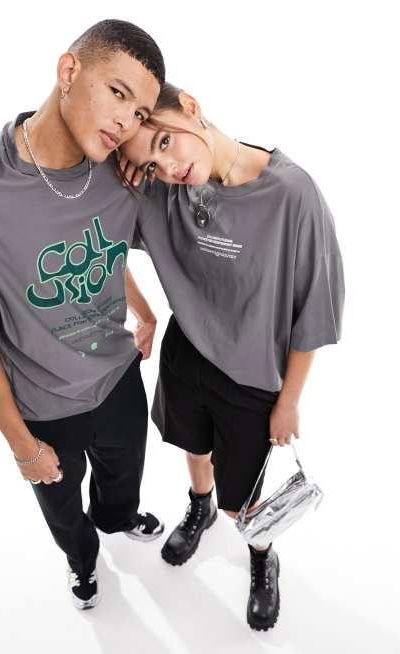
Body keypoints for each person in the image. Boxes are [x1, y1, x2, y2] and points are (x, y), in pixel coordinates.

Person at [0, 20, 166, 611]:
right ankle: (82, 560)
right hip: (44, 402)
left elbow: (100, 247)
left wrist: (143, 310)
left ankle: (117, 518)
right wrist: (21, 447)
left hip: (118, 375)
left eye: (139, 113)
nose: (125, 122)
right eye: (118, 93)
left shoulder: (118, 169)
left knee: (123, 480)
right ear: (69, 71)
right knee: (61, 506)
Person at [118, 81, 345, 630]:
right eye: (151, 164)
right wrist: (144, 314)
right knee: (193, 446)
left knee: (241, 499)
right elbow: (96, 233)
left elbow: (315, 309)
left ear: (191, 108)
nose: (167, 168)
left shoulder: (292, 194)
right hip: (187, 352)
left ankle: (262, 553)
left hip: (252, 375)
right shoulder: (166, 191)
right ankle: (198, 504)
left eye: (165, 143)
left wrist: (289, 401)